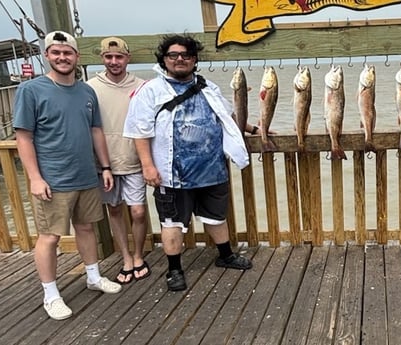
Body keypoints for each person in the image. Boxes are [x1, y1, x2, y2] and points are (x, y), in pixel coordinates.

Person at [124, 34, 252, 292]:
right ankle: (174, 269)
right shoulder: (150, 91)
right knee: (172, 223)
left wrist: (255, 128)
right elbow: (140, 131)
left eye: (186, 55)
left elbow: (226, 117)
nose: (180, 59)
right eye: (173, 55)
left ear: (194, 60)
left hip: (212, 170)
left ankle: (225, 255)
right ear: (164, 59)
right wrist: (148, 167)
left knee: (216, 216)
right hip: (172, 174)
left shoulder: (209, 87)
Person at [13, 31, 122, 321]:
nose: (62, 57)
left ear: (77, 57)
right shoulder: (31, 90)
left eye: (68, 52)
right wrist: (35, 177)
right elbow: (23, 137)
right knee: (49, 237)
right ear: (46, 55)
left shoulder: (87, 91)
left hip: (86, 174)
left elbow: (95, 130)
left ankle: (93, 276)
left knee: (86, 228)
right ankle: (51, 294)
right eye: (56, 52)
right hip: (53, 177)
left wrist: (105, 166)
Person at [86, 37, 150, 285]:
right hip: (105, 164)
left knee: (138, 211)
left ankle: (138, 255)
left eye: (119, 57)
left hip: (134, 159)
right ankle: (125, 257)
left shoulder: (143, 86)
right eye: (108, 57)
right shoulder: (90, 87)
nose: (114, 61)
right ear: (102, 58)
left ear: (128, 58)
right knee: (114, 210)